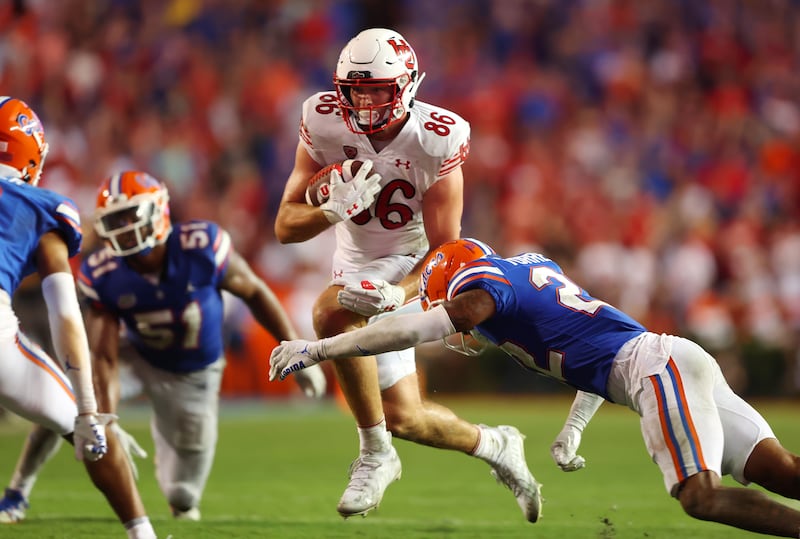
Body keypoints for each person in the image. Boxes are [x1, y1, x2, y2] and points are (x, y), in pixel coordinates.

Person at [270, 237, 800, 537]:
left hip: (657, 371)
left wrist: (318, 349)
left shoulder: (481, 289)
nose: (457, 319)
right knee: (780, 470)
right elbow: (598, 351)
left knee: (699, 498)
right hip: (666, 358)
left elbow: (414, 329)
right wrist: (573, 428)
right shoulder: (525, 271)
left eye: (443, 300)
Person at [273, 28, 541, 521]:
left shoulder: (436, 136)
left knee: (330, 313)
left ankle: (374, 456)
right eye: (357, 90)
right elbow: (285, 226)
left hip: (412, 268)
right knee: (404, 417)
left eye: (379, 88)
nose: (367, 102)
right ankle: (496, 445)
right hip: (354, 266)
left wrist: (399, 293)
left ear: (408, 85)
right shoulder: (323, 119)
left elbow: (448, 249)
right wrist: (330, 212)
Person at [0, 170, 327, 523]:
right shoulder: (104, 270)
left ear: (159, 211)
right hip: (135, 355)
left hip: (193, 373)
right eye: (114, 220)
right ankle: (18, 490)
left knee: (182, 497)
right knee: (71, 400)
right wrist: (102, 417)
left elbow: (256, 293)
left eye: (131, 215)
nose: (124, 227)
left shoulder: (202, 247)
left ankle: (175, 489)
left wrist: (297, 350)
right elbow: (103, 356)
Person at [0, 97, 157, 538]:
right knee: (86, 428)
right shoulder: (37, 205)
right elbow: (66, 314)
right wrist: (88, 411)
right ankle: (141, 533)